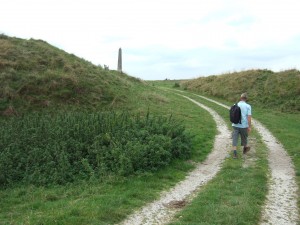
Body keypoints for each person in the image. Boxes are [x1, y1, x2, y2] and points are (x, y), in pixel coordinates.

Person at [232, 93, 252, 158]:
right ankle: (245, 148)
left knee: (235, 138)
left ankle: (235, 153)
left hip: (235, 124)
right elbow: (249, 117)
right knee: (244, 137)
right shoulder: (248, 106)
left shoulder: (235, 104)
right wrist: (249, 126)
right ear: (246, 99)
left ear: (240, 98)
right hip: (243, 125)